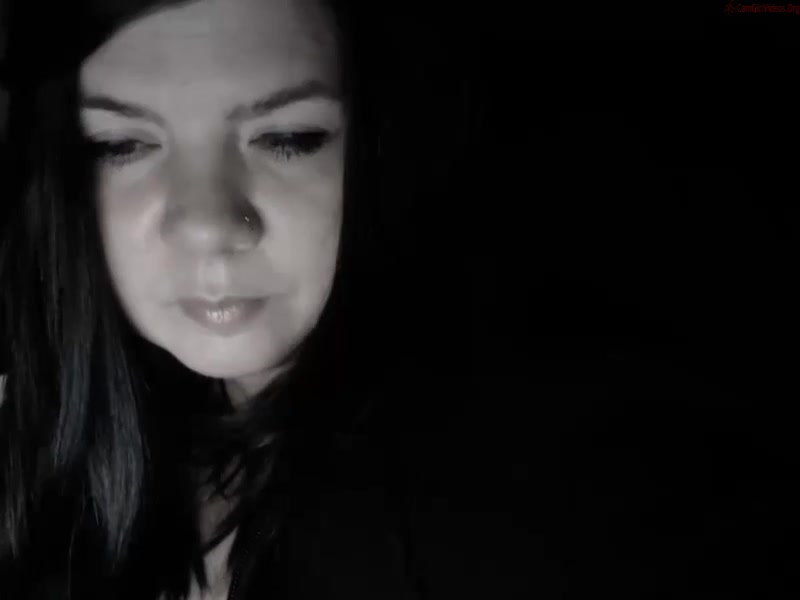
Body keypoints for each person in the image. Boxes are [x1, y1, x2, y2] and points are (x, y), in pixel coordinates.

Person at [0, 0, 451, 598]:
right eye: (121, 145)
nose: (207, 226)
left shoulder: (479, 495)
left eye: (289, 138)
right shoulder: (53, 462)